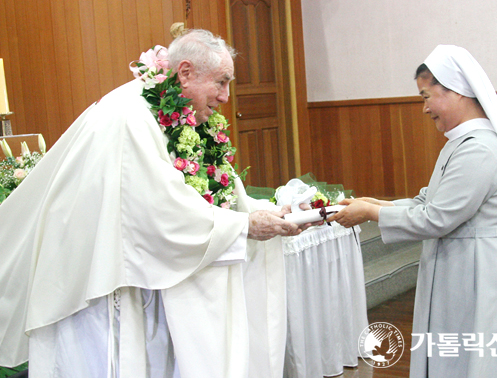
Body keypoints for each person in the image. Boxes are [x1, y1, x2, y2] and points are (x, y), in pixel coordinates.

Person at [0, 29, 312, 378]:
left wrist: (258, 212)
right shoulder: (129, 116)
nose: (226, 97)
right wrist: (246, 226)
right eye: (221, 83)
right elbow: (161, 212)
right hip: (94, 281)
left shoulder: (177, 113)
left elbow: (211, 190)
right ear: (185, 73)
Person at [329, 45, 497, 377]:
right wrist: (373, 203)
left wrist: (369, 213)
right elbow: (428, 202)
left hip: (481, 273)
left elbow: (437, 218)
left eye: (426, 96)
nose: (424, 108)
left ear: (458, 91)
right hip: (462, 265)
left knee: (478, 363)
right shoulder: (460, 143)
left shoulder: (479, 149)